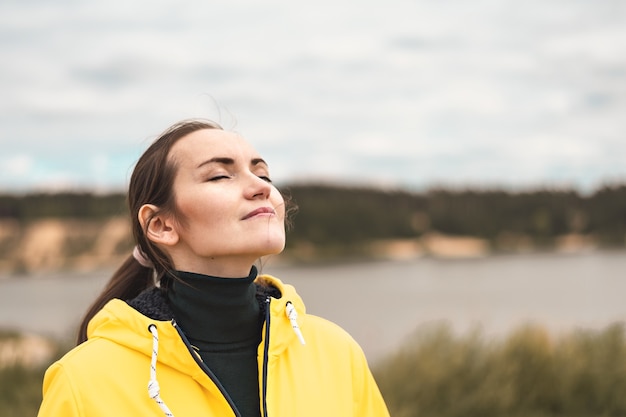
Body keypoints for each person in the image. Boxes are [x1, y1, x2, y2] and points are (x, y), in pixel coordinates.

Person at [37, 119, 390, 417]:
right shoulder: (83, 381)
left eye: (263, 174)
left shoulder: (335, 352)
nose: (260, 188)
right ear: (161, 225)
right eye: (221, 176)